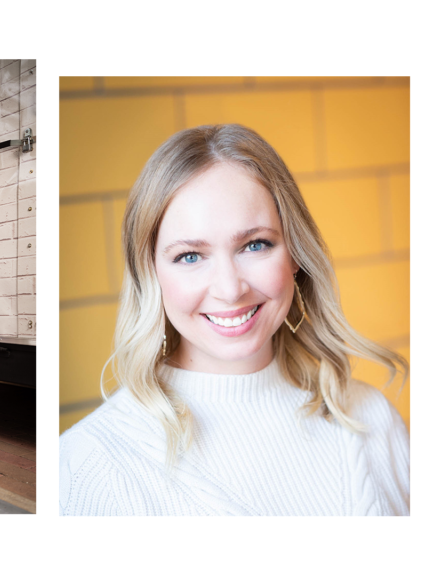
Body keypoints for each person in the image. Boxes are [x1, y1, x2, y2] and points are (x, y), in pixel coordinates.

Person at [59, 124, 409, 516]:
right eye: (190, 256)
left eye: (254, 244)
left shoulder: (371, 419)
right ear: (150, 274)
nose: (229, 289)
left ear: (295, 254)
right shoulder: (87, 464)